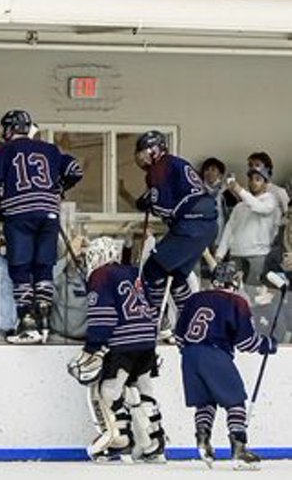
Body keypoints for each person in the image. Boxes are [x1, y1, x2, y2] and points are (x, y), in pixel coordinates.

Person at [0, 110, 83, 344]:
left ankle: (27, 321)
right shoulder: (50, 149)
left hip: (19, 213)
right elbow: (75, 170)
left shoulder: (2, 151)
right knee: (43, 266)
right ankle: (45, 320)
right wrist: (58, 188)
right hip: (49, 214)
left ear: (8, 129)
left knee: (20, 267)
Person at [68, 237, 165, 463]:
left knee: (110, 392)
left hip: (123, 342)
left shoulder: (100, 275)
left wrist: (93, 347)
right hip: (146, 342)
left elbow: (103, 316)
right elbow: (152, 307)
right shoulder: (133, 272)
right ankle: (154, 444)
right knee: (144, 390)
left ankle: (120, 441)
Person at [174, 260, 278, 470]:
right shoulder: (236, 302)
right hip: (214, 353)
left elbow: (179, 336)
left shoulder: (195, 299)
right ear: (235, 280)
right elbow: (246, 342)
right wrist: (267, 344)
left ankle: (203, 440)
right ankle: (239, 449)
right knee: (235, 401)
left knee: (206, 401)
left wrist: (193, 353)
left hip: (189, 356)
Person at [133, 130, 218, 321]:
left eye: (143, 152)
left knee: (153, 269)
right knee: (177, 276)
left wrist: (150, 205)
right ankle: (191, 321)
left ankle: (155, 320)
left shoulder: (159, 168)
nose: (141, 158)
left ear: (154, 150)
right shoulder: (174, 163)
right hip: (207, 227)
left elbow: (165, 208)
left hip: (190, 225)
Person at [216, 167, 283, 297]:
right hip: (236, 256)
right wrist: (220, 254)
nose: (253, 182)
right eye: (251, 179)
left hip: (258, 257)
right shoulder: (239, 206)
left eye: (258, 179)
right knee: (231, 295)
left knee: (254, 297)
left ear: (266, 184)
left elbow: (258, 207)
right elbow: (229, 230)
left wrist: (238, 189)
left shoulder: (271, 201)